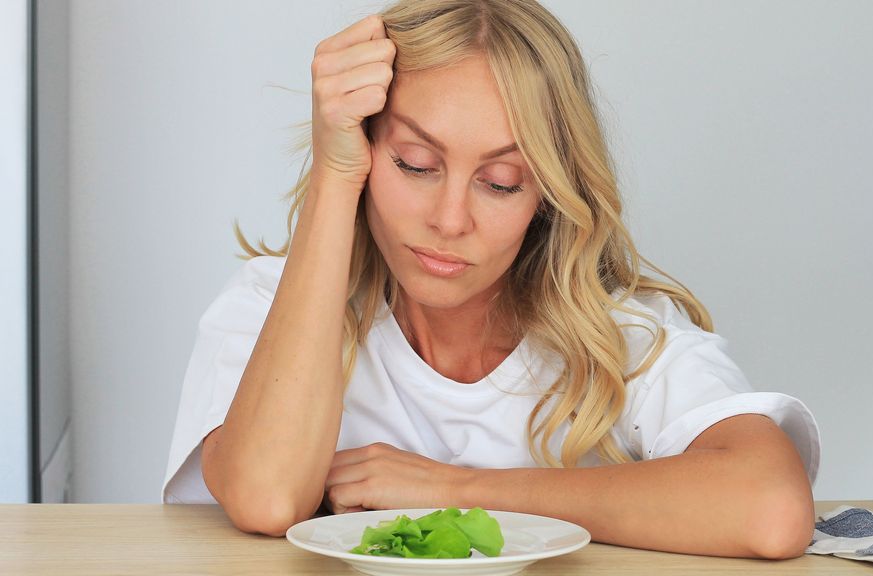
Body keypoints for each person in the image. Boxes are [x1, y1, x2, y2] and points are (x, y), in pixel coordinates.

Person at [163, 0, 821, 559]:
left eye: (501, 182)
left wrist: (452, 489)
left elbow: (770, 507)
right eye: (415, 164)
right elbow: (268, 497)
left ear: (548, 193)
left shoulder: (622, 335)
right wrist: (335, 177)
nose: (451, 220)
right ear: (367, 151)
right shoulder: (265, 303)